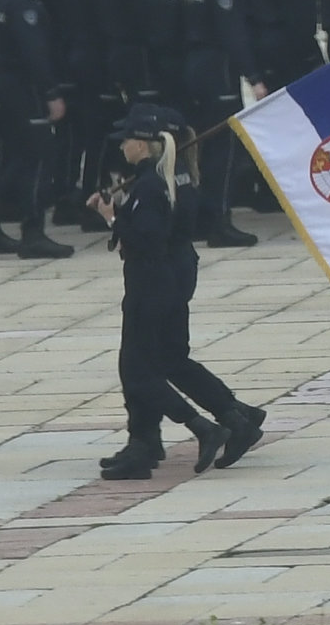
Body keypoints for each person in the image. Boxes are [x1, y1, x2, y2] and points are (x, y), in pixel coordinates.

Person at [94, 104, 262, 478]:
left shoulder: (154, 183)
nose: (122, 145)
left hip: (153, 281)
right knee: (169, 359)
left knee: (138, 369)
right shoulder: (174, 176)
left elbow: (148, 239)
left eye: (129, 139)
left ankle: (202, 427)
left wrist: (113, 218)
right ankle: (228, 419)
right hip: (174, 274)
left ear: (147, 144)